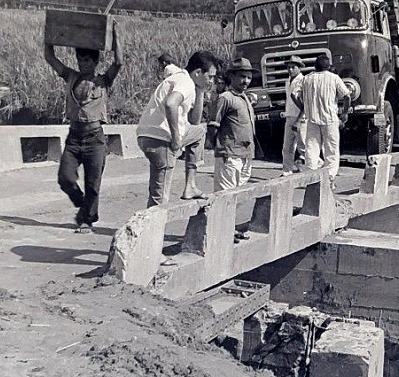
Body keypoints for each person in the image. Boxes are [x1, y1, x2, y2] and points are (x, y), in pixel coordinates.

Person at [43, 22, 123, 232]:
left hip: (95, 139)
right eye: (80, 60)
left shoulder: (103, 81)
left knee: (93, 184)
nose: (83, 64)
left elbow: (119, 62)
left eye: (87, 60)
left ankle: (87, 219)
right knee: (65, 178)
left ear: (95, 62)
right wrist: (49, 35)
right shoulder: (70, 76)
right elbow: (50, 58)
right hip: (74, 137)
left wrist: (116, 35)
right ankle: (82, 203)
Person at [137, 50, 216, 207]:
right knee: (160, 200)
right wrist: (176, 138)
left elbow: (194, 122)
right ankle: (154, 224)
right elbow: (171, 104)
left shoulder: (183, 80)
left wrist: (200, 91)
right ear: (198, 72)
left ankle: (190, 186)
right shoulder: (185, 82)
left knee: (199, 132)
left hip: (148, 135)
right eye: (210, 77)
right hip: (161, 138)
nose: (211, 81)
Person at [291, 53, 350, 178]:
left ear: (315, 66)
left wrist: (303, 107)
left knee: (311, 150)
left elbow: (294, 94)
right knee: (331, 151)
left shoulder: (306, 79)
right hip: (330, 120)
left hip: (312, 120)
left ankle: (312, 178)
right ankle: (330, 178)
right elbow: (347, 96)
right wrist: (344, 113)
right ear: (328, 67)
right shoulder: (334, 78)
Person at [206, 59, 255, 192]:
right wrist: (219, 147)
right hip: (229, 156)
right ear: (232, 76)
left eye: (249, 78)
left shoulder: (245, 98)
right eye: (242, 77)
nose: (246, 81)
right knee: (225, 196)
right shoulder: (225, 98)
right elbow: (212, 125)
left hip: (245, 155)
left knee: (240, 195)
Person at [281, 56, 307, 175]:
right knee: (287, 147)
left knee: (303, 147)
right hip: (289, 116)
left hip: (300, 118)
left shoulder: (303, 81)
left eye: (293, 67)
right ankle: (287, 171)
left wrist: (299, 120)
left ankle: (318, 166)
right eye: (289, 67)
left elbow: (305, 103)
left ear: (299, 68)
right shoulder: (288, 81)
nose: (290, 70)